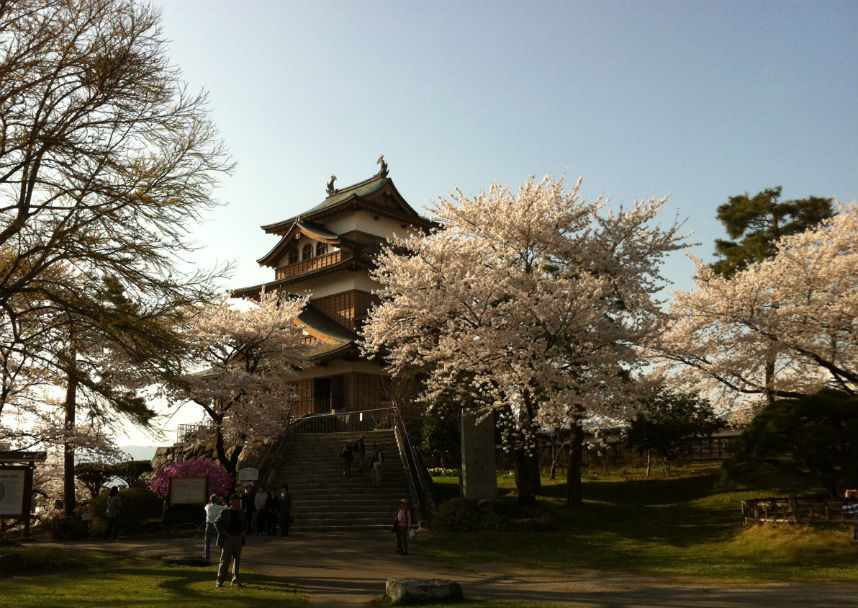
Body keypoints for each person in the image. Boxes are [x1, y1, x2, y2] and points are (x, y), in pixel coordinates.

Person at [215, 494, 248, 588]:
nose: (237, 502)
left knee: (237, 560)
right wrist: (224, 532)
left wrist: (244, 532)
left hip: (238, 538)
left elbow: (246, 523)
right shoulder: (225, 512)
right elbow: (217, 523)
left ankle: (235, 579)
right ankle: (220, 580)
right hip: (228, 538)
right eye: (234, 501)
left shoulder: (241, 512)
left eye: (237, 501)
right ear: (231, 502)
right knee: (224, 560)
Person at [203, 494, 226, 561]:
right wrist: (223, 501)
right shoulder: (219, 507)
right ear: (217, 500)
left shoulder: (207, 507)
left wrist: (212, 501)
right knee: (221, 542)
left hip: (208, 525)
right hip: (216, 525)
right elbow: (226, 507)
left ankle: (207, 558)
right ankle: (221, 557)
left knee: (207, 543)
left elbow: (206, 506)